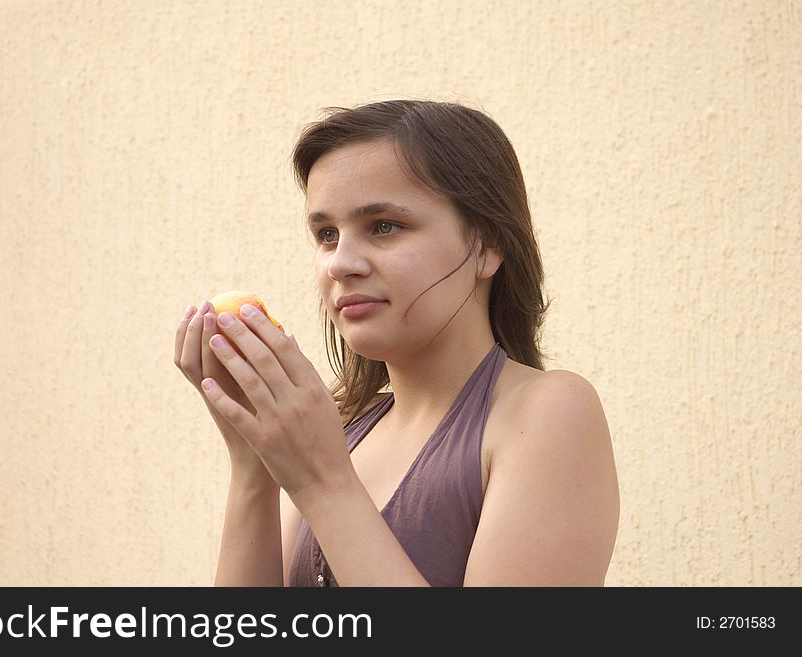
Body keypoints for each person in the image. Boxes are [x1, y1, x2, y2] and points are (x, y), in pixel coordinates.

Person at [175, 99, 620, 586]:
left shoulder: (549, 411)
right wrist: (254, 461)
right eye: (326, 234)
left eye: (384, 226)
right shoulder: (339, 431)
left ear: (488, 244)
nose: (341, 263)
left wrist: (325, 486)